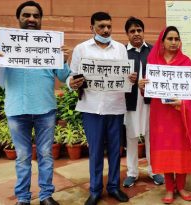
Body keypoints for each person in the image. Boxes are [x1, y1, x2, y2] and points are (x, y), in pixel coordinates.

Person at [0, 1, 75, 205]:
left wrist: (64, 59)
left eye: (36, 16)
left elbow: (64, 77)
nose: (31, 19)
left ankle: (46, 196)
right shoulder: (4, 43)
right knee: (22, 157)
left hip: (45, 109)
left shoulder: (52, 44)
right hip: (16, 109)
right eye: (26, 15)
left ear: (40, 20)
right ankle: (23, 198)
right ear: (18, 18)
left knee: (46, 154)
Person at [69, 12, 136, 205]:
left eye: (108, 26)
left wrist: (130, 79)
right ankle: (95, 189)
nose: (106, 30)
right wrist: (72, 83)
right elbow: (72, 77)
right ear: (92, 28)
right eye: (101, 27)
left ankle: (114, 187)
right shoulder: (81, 49)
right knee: (96, 150)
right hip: (91, 108)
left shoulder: (120, 50)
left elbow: (125, 78)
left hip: (115, 107)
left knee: (115, 150)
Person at [139, 26, 191, 204]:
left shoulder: (186, 62)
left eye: (176, 39)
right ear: (162, 41)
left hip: (180, 115)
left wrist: (183, 104)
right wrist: (142, 86)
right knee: (165, 150)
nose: (174, 42)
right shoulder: (154, 61)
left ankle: (182, 187)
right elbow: (148, 91)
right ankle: (169, 188)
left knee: (181, 150)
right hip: (160, 115)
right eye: (170, 39)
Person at [122, 16, 164, 187]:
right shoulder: (121, 52)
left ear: (143, 32)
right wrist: (131, 82)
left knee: (151, 136)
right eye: (132, 31)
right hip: (130, 102)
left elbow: (162, 75)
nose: (136, 34)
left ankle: (155, 170)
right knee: (131, 137)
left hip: (150, 102)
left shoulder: (154, 51)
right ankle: (132, 172)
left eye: (139, 30)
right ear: (127, 34)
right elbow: (117, 79)